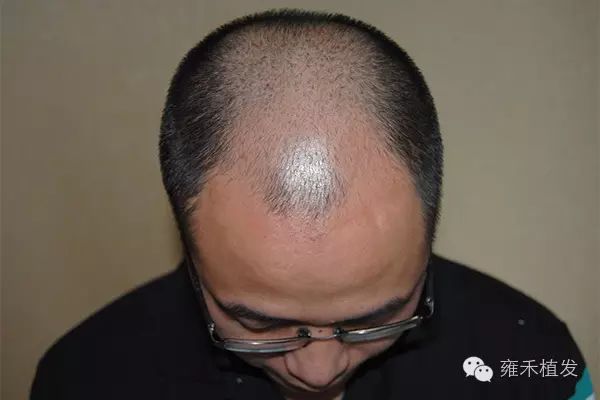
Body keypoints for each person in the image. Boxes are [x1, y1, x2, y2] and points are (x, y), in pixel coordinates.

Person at [30, 9, 594, 400]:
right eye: (258, 323)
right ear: (190, 244)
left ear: (429, 231)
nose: (318, 371)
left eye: (373, 321)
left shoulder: (529, 357)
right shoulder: (86, 379)